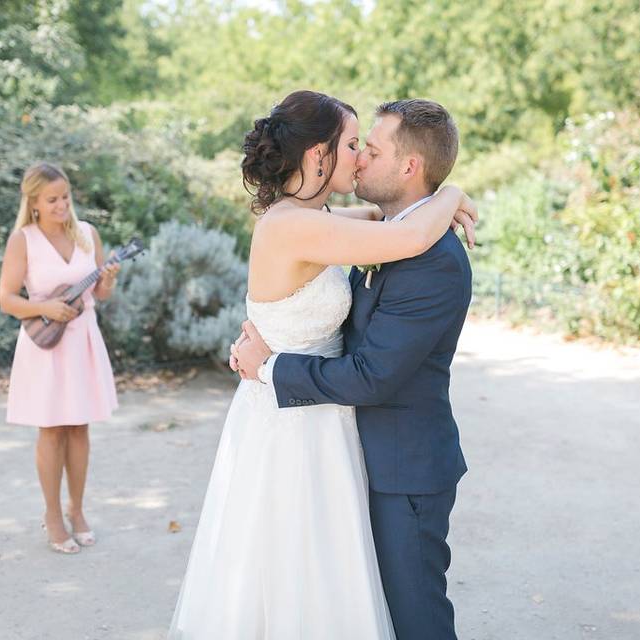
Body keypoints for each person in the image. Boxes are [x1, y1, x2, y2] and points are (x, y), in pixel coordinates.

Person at [168, 90, 476, 639]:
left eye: (368, 148)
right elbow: (402, 234)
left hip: (336, 428)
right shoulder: (301, 226)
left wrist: (442, 196)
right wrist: (450, 192)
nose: (359, 157)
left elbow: (393, 226)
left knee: (348, 591)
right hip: (293, 428)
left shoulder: (322, 218)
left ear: (409, 165)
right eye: (354, 145)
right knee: (293, 581)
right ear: (318, 155)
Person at [0, 162, 119, 554]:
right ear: (33, 202)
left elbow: (100, 295)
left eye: (65, 197)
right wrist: (45, 308)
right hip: (45, 345)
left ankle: (77, 510)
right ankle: (52, 515)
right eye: (52, 200)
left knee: (79, 427)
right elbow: (7, 298)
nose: (61, 205)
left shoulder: (87, 234)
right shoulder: (23, 240)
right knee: (51, 430)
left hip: (83, 341)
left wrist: (110, 280)